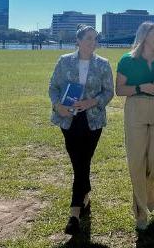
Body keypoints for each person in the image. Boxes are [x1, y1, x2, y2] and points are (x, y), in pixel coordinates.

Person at [48, 25, 114, 235]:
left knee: (83, 161)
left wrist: (92, 102)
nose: (92, 43)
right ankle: (84, 197)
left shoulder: (103, 64)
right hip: (68, 119)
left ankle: (74, 213)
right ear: (78, 40)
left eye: (95, 39)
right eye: (88, 39)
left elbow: (109, 92)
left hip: (92, 120)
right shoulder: (64, 61)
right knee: (79, 162)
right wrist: (58, 105)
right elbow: (53, 87)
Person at [115, 22, 154, 230]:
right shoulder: (127, 60)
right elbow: (119, 90)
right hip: (136, 109)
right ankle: (141, 212)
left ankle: (149, 191)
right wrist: (139, 87)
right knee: (136, 162)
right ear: (144, 36)